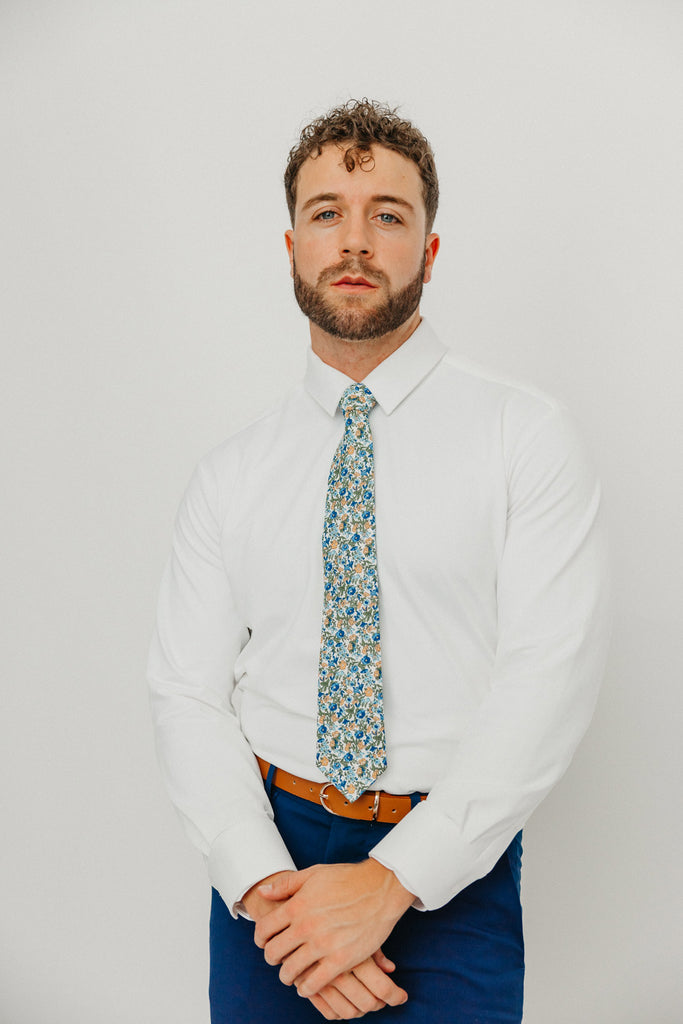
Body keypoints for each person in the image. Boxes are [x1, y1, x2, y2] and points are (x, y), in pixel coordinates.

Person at [147, 99, 611, 1023]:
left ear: (430, 251)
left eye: (387, 216)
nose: (354, 242)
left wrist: (391, 882)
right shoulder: (230, 474)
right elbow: (186, 694)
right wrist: (266, 891)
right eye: (327, 213)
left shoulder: (526, 437)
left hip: (452, 862)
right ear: (289, 247)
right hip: (269, 866)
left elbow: (546, 677)